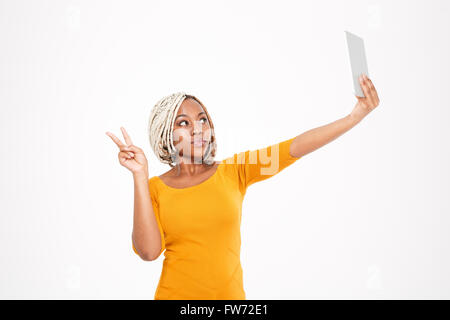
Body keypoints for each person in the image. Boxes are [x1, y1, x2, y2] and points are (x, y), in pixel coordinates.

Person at [106, 74, 380, 299]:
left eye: (202, 119)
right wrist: (140, 176)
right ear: (165, 134)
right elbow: (149, 252)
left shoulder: (235, 171)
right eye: (184, 123)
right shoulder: (155, 188)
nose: (198, 129)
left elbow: (294, 147)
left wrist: (353, 117)